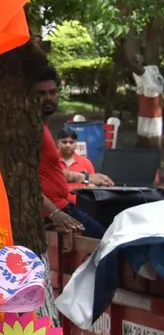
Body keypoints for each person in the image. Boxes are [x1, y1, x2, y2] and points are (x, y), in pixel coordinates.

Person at [34, 64, 106, 239]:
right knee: (108, 243)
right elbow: (24, 180)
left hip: (61, 207)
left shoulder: (42, 127)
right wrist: (54, 213)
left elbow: (53, 173)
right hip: (56, 211)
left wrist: (86, 178)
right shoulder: (31, 130)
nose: (48, 98)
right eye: (41, 94)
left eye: (52, 92)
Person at [58, 127, 113, 197]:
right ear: (58, 143)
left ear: (76, 143)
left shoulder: (85, 162)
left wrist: (91, 187)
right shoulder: (51, 160)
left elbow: (92, 183)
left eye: (71, 142)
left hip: (79, 202)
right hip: (55, 202)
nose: (68, 145)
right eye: (64, 142)